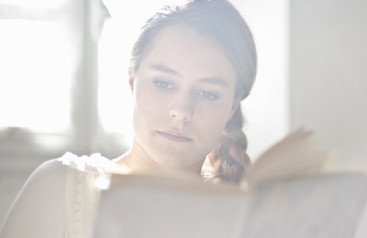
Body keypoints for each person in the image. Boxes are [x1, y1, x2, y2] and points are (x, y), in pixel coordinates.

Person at [0, 0, 257, 237]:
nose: (181, 110)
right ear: (132, 80)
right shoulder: (60, 189)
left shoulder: (252, 217)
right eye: (164, 83)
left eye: (207, 93)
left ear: (233, 105)